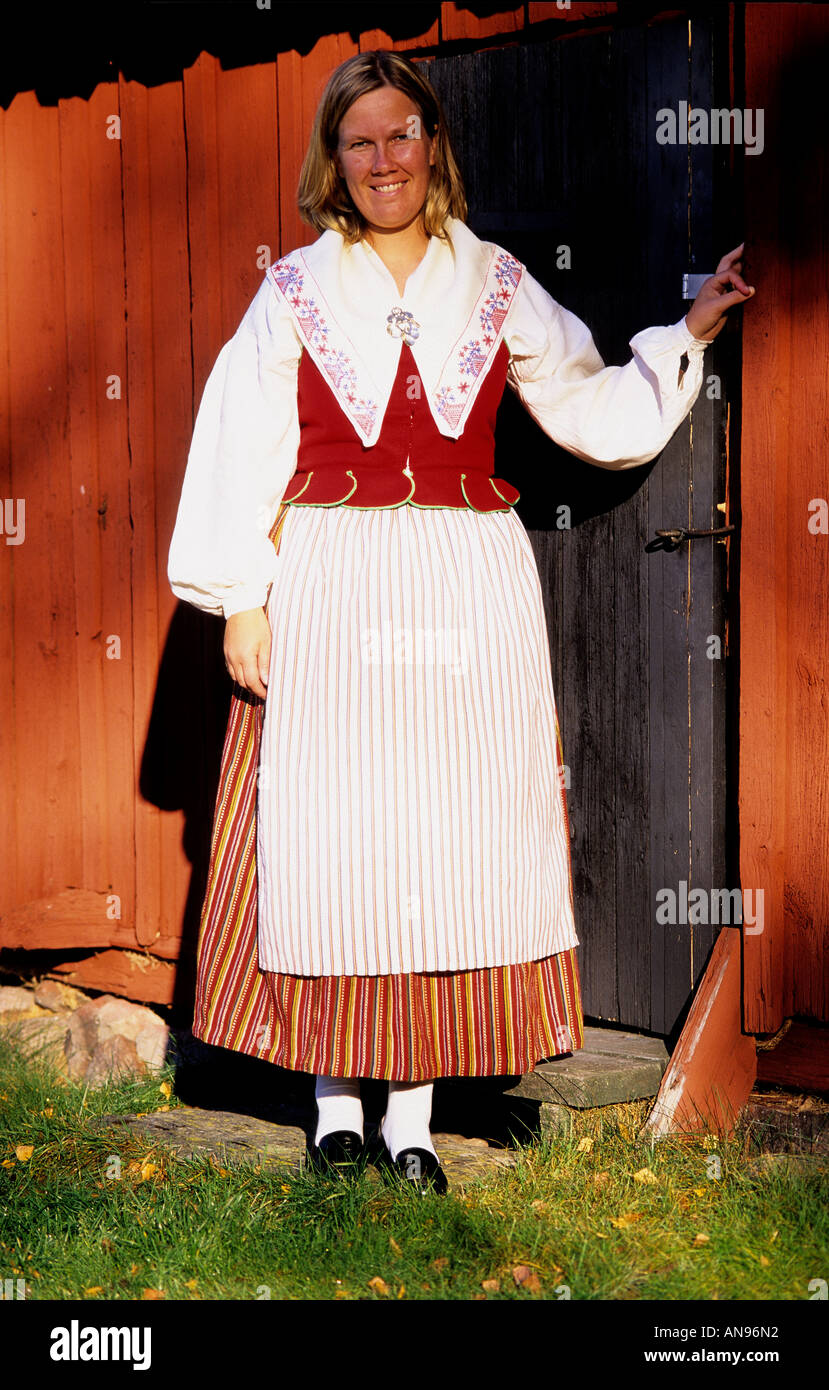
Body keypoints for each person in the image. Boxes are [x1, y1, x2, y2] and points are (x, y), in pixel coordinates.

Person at [167, 49, 754, 1194]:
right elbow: (239, 439)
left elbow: (582, 398)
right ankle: (335, 1108)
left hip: (464, 582)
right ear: (331, 163)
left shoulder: (493, 279)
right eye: (359, 141)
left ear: (431, 144)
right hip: (329, 575)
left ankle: (414, 1120)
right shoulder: (291, 288)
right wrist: (241, 599)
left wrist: (685, 333)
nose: (382, 160)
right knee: (340, 829)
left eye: (400, 135)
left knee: (449, 831)